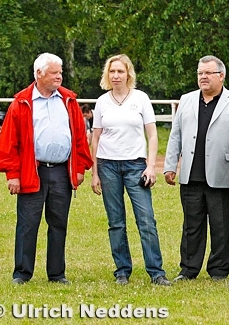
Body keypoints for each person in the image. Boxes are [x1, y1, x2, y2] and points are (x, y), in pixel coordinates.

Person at [0, 53, 93, 284]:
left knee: (59, 223)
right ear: (39, 74)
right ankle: (22, 273)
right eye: (54, 72)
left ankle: (57, 274)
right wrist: (13, 175)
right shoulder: (21, 103)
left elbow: (79, 137)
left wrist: (80, 167)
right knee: (28, 224)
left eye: (60, 72)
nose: (60, 76)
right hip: (33, 170)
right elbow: (9, 142)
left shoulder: (68, 100)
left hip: (61, 172)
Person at [90, 54, 171, 286]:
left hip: (136, 165)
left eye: (120, 72)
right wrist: (95, 173)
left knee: (146, 220)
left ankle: (156, 272)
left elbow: (152, 134)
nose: (116, 76)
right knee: (116, 222)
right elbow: (95, 139)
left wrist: (150, 165)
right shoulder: (102, 102)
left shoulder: (141, 99)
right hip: (107, 166)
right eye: (112, 71)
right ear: (108, 74)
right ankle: (122, 271)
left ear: (128, 74)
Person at [164, 55, 229, 282]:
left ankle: (218, 270)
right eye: (200, 73)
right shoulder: (186, 100)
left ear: (221, 76)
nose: (203, 77)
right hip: (191, 175)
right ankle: (188, 269)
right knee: (191, 227)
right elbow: (175, 135)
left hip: (223, 174)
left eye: (208, 73)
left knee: (222, 226)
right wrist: (170, 165)